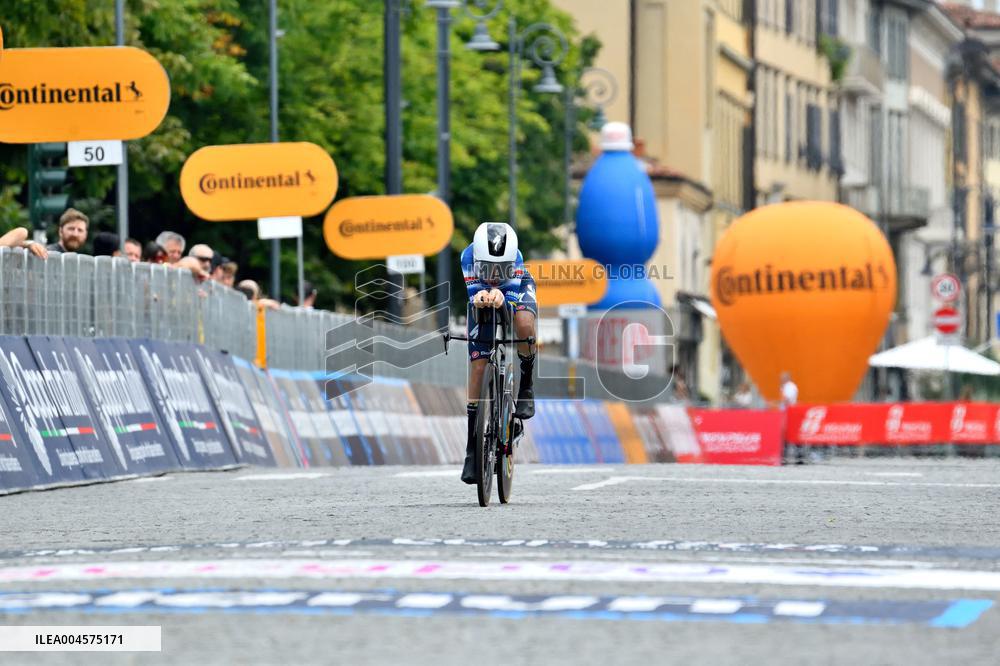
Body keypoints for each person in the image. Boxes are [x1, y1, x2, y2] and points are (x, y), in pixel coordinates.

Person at [459, 222, 537, 485]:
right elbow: (474, 298)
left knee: (524, 324)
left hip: (513, 292)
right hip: (482, 296)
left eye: (500, 269)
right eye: (487, 269)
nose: (493, 275)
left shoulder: (516, 260)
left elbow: (511, 305)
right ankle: (472, 448)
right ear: (477, 260)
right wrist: (479, 297)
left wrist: (504, 298)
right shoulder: (467, 257)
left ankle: (526, 385)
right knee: (479, 365)